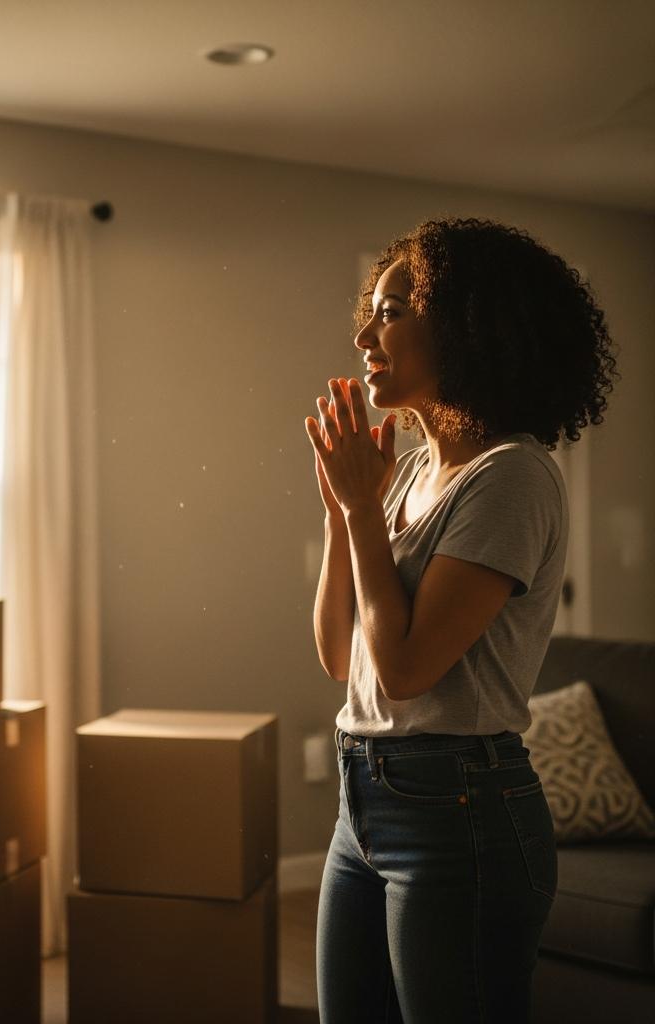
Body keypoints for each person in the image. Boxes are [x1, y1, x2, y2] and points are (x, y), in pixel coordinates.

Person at [304, 217, 616, 1023]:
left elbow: (407, 671)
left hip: (460, 815)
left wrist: (362, 514)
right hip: (359, 805)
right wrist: (344, 512)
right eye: (370, 314)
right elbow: (339, 656)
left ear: (469, 326)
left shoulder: (513, 477)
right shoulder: (409, 473)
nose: (366, 336)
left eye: (393, 312)